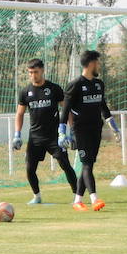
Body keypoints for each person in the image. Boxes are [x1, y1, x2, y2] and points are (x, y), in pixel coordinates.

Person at [12, 58, 80, 205]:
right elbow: (19, 114)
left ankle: (77, 196)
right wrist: (17, 134)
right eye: (30, 73)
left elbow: (66, 109)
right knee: (29, 168)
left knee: (65, 165)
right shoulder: (25, 92)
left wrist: (71, 130)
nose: (33, 75)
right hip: (35, 137)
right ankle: (37, 196)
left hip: (54, 137)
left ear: (42, 71)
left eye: (35, 72)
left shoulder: (54, 89)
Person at [62, 49, 120, 211]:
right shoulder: (75, 85)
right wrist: (63, 132)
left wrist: (114, 126)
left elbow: (103, 107)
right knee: (86, 165)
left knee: (89, 165)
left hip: (96, 130)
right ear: (91, 64)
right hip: (80, 131)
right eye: (98, 62)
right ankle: (95, 199)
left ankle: (77, 201)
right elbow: (65, 111)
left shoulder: (98, 84)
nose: (99, 65)